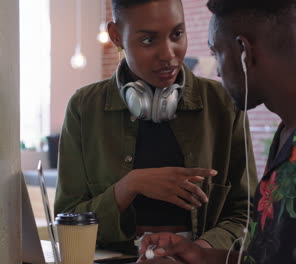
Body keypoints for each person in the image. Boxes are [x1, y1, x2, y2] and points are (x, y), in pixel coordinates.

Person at [139, 0, 296, 263]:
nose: (218, 70)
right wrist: (202, 256)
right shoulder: (293, 131)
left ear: (244, 51)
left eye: (217, 52)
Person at [54, 0, 257, 254]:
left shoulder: (224, 104)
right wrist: (129, 186)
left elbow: (249, 213)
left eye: (177, 34)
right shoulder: (84, 108)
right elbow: (68, 221)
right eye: (149, 40)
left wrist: (198, 251)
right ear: (117, 36)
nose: (169, 54)